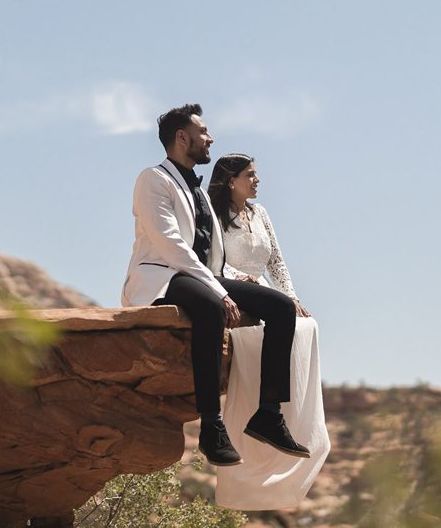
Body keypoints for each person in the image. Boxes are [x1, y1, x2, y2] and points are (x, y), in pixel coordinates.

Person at [121, 103, 309, 468]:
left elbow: (215, 260)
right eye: (203, 132)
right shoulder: (153, 180)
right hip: (162, 275)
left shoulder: (202, 192)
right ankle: (212, 426)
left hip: (202, 275)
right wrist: (220, 291)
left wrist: (234, 281)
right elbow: (170, 245)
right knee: (208, 307)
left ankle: (268, 413)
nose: (210, 139)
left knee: (281, 308)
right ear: (181, 138)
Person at [207, 153, 331, 510]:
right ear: (231, 180)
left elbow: (277, 260)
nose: (257, 180)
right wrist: (237, 276)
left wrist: (291, 296)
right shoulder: (214, 214)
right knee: (263, 331)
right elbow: (211, 259)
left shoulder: (260, 214)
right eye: (250, 175)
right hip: (231, 288)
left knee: (309, 325)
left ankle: (281, 416)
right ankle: (264, 418)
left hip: (264, 291)